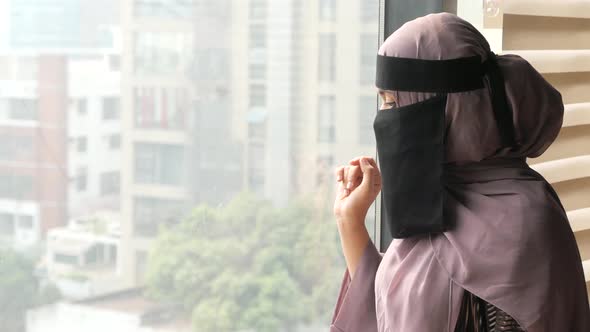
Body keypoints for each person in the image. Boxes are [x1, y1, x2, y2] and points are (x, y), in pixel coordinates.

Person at [330, 13, 590, 332]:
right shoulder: (436, 200)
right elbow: (388, 310)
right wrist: (349, 221)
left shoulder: (522, 225)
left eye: (394, 102)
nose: (385, 118)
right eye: (382, 101)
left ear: (451, 107)